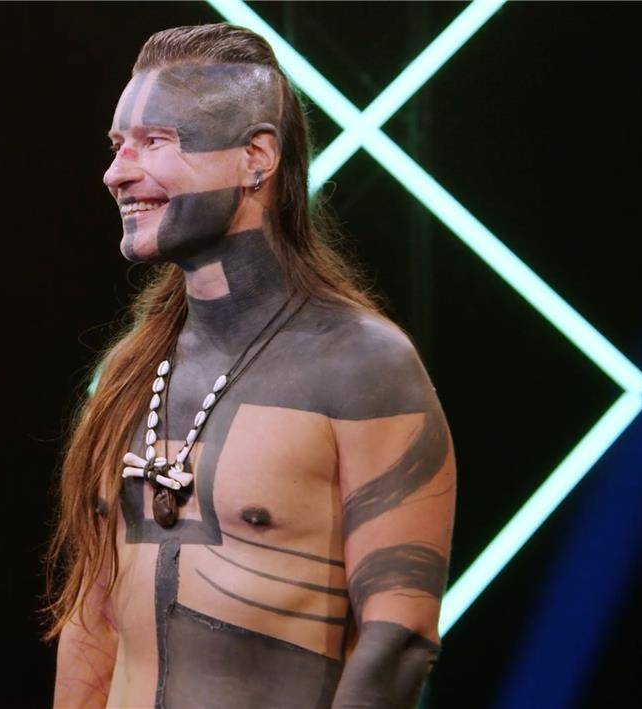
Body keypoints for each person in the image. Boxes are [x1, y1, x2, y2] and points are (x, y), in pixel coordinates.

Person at [46, 22, 456, 709]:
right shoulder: (128, 373)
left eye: (156, 141)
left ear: (255, 158)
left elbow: (399, 638)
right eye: (118, 146)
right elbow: (93, 616)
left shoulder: (362, 365)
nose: (117, 172)